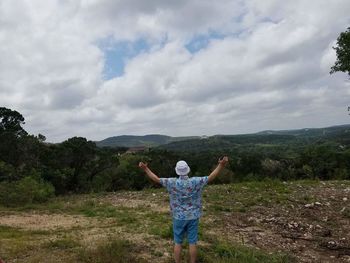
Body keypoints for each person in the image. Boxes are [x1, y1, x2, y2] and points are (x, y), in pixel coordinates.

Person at [139, 156, 229, 263]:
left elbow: (156, 179)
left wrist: (145, 169)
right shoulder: (195, 181)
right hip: (193, 216)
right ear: (188, 169)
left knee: (178, 242)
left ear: (177, 171)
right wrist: (221, 165)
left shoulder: (172, 182)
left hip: (178, 217)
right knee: (192, 242)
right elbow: (210, 177)